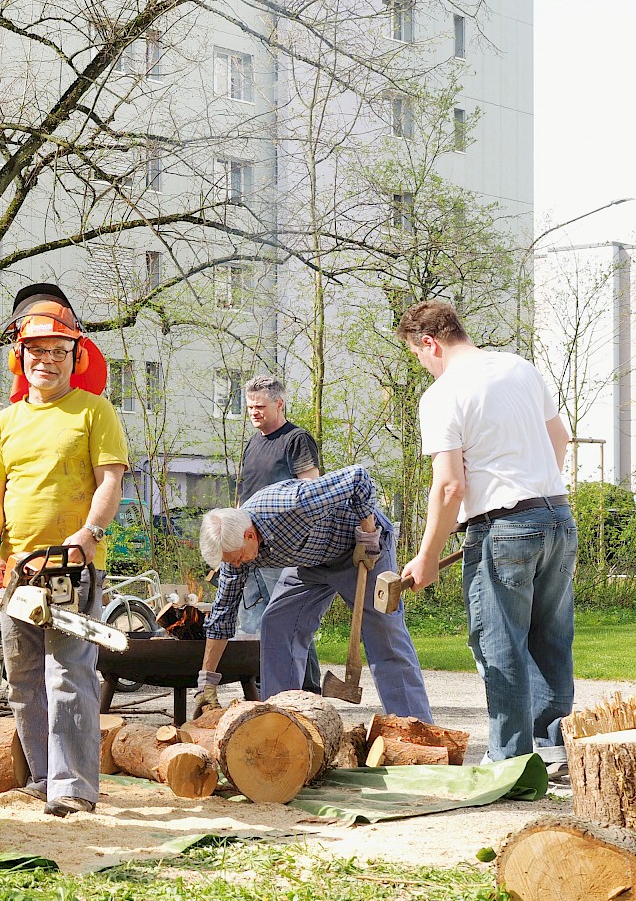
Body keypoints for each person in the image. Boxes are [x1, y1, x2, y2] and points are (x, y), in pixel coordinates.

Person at [396, 299, 576, 763]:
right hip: (557, 516)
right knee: (550, 640)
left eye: (417, 354)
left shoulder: (442, 394)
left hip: (504, 531)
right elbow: (560, 439)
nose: (422, 365)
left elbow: (451, 485)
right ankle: (550, 750)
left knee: (501, 644)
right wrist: (535, 494)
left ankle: (510, 762)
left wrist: (428, 555)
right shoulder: (519, 368)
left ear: (430, 342)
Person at [0, 283, 129, 817]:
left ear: (75, 356)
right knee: (21, 676)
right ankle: (43, 777)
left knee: (69, 672)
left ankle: (73, 788)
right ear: (21, 357)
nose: (47, 360)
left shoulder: (94, 411)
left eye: (58, 351)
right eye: (37, 350)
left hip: (70, 567)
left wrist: (88, 534)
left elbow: (110, 479)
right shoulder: (4, 421)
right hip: (16, 569)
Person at [196, 465, 433, 721]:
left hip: (361, 552)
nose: (238, 565)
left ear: (250, 535)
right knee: (277, 622)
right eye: (231, 562)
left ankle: (416, 727)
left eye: (239, 558)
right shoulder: (235, 553)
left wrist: (368, 532)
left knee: (384, 634)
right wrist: (207, 680)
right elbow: (223, 613)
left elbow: (358, 478)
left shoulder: (292, 506)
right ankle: (282, 723)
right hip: (311, 562)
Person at [235, 374, 322, 693]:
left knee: (290, 620)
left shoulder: (296, 439)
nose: (253, 412)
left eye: (260, 406)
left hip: (284, 549)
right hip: (249, 547)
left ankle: (310, 690)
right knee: (253, 622)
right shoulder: (253, 443)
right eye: (249, 407)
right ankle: (263, 689)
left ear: (279, 404)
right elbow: (243, 494)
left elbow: (312, 492)